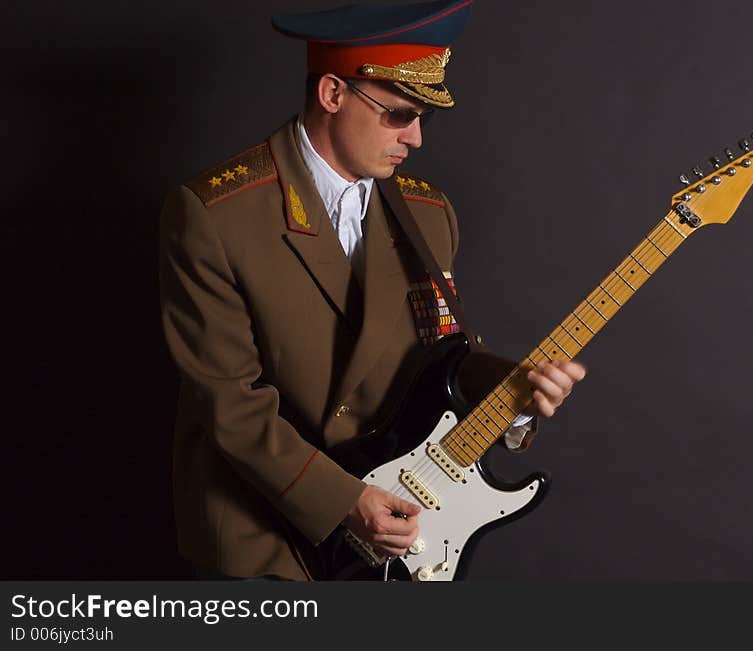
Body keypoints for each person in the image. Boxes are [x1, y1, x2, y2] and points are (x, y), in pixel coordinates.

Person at [158, 0, 586, 581]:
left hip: (396, 533)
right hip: (267, 536)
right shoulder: (216, 214)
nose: (415, 138)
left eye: (424, 119)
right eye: (399, 114)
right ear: (333, 94)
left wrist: (517, 394)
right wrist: (344, 502)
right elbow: (228, 402)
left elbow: (446, 357)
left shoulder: (429, 213)